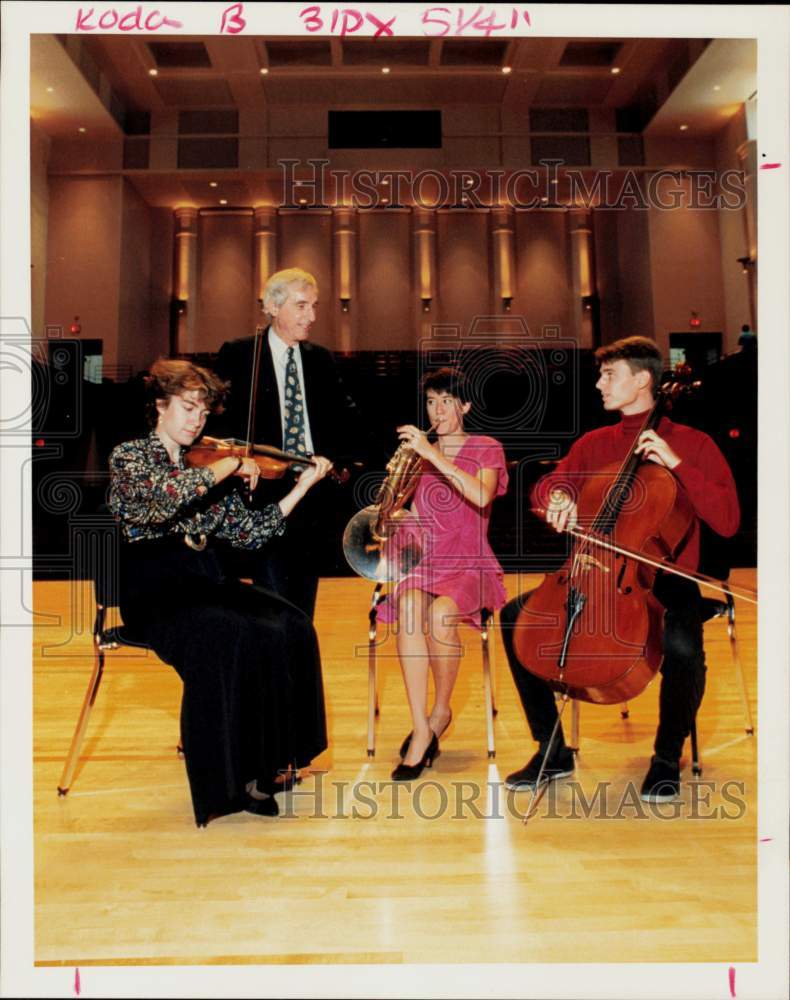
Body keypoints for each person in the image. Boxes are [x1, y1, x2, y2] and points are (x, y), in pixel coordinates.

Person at [500, 336, 740, 802]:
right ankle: (551, 749)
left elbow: (728, 522)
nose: (598, 384)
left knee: (683, 645)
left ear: (643, 379)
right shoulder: (595, 444)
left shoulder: (693, 443)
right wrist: (558, 498)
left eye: (609, 375)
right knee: (517, 618)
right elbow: (550, 485)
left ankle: (667, 756)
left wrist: (676, 465)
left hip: (664, 579)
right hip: (592, 571)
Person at [108, 358, 333, 827]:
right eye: (188, 408)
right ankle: (227, 784)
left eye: (203, 412)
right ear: (160, 406)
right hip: (156, 592)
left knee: (290, 624)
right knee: (228, 633)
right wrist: (230, 464)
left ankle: (277, 762)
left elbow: (252, 533)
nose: (197, 420)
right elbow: (161, 502)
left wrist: (303, 486)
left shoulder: (208, 462)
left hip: (206, 580)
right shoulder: (131, 457)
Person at [212, 267, 372, 619]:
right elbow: (217, 423)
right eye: (302, 306)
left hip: (313, 497)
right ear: (272, 306)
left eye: (314, 306)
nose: (312, 316)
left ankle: (296, 673)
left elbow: (347, 419)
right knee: (272, 603)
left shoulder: (320, 358)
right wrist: (239, 461)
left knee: (302, 606)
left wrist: (336, 459)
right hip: (264, 495)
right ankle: (275, 673)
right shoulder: (239, 354)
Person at [377, 368, 509, 781]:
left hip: (469, 560)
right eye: (432, 401)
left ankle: (441, 710)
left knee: (440, 617)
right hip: (426, 561)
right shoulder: (420, 454)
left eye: (447, 401)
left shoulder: (486, 447)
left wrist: (432, 455)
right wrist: (393, 512)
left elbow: (482, 495)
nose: (438, 410)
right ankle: (421, 728)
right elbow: (416, 515)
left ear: (465, 406)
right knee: (411, 605)